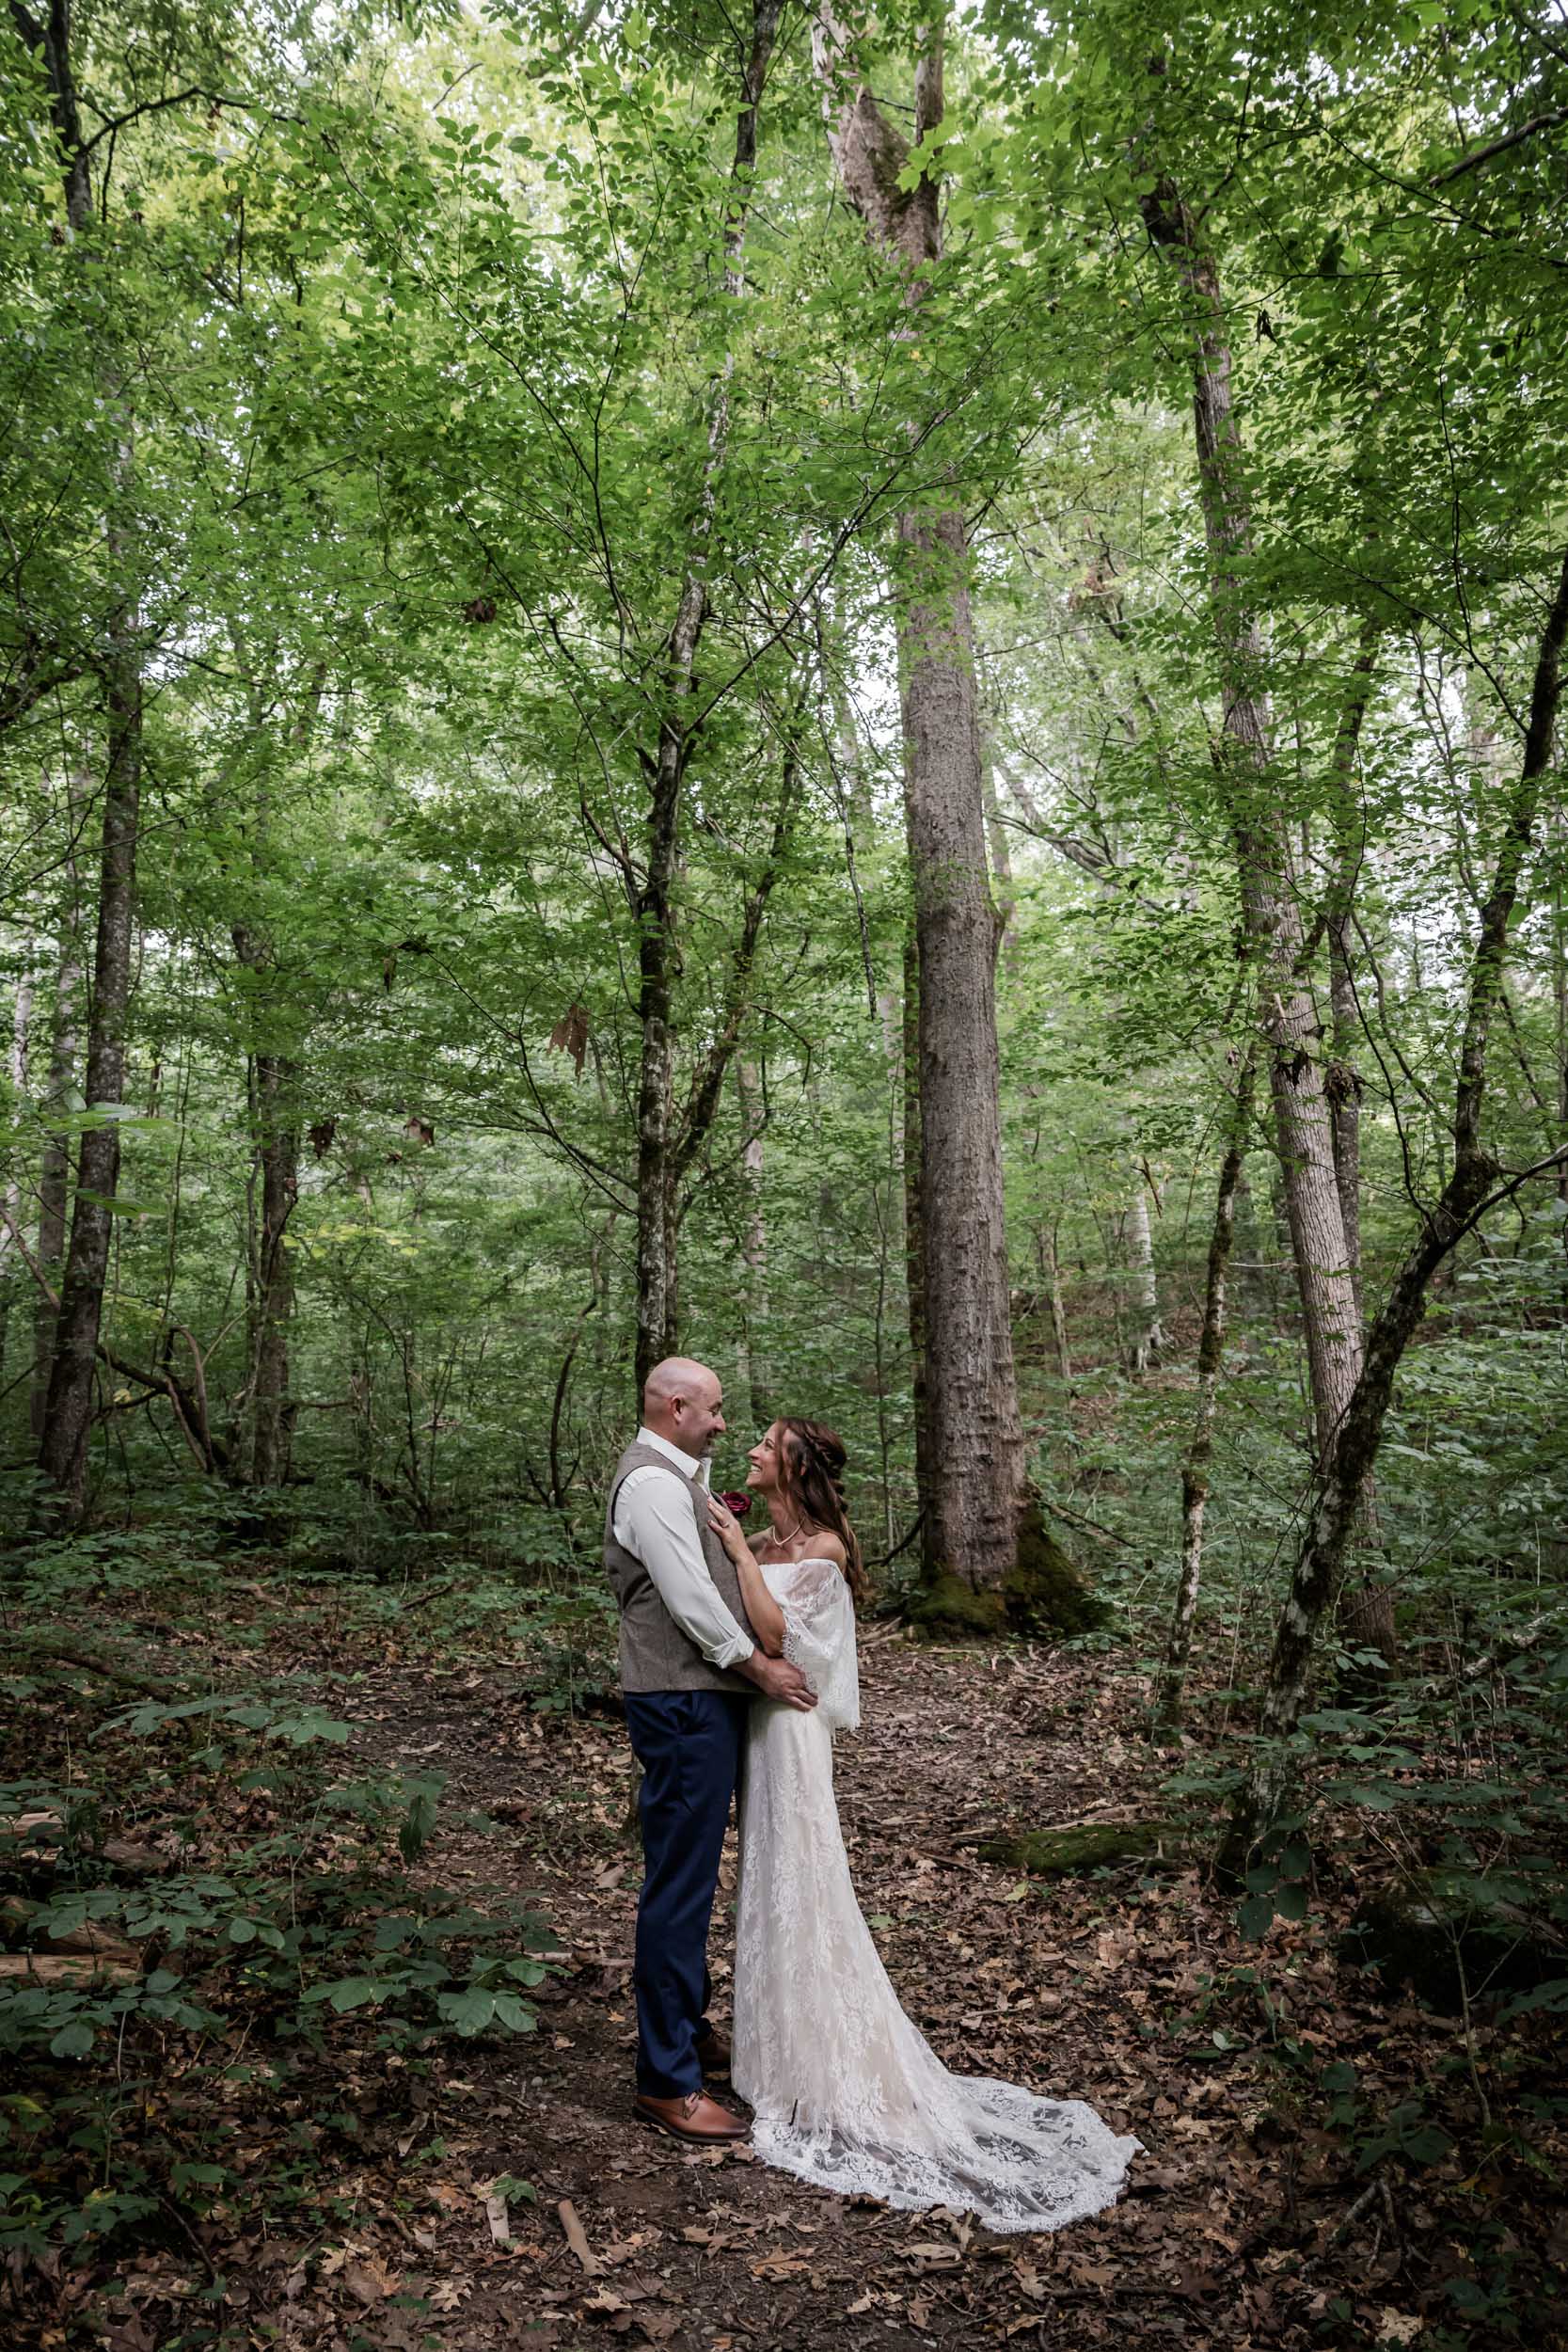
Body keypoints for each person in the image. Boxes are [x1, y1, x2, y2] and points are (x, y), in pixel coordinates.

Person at [705, 1415, 1142, 2234]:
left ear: (796, 1467)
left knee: (802, 1870)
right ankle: (775, 2053)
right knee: (766, 1875)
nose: (754, 1451)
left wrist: (734, 1550)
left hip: (790, 1735)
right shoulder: (766, 1542)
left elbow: (772, 1637)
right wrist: (736, 1544)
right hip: (753, 1727)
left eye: (767, 1444)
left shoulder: (822, 1550)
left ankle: (826, 2060)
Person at [603, 1358, 816, 2146]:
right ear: (676, 1406)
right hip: (683, 1699)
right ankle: (665, 2081)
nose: (724, 1424)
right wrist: (758, 1666)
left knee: (691, 1875)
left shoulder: (677, 1478)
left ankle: (686, 2033)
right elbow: (689, 1598)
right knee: (681, 1885)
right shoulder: (652, 1484)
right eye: (716, 1410)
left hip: (699, 1699)